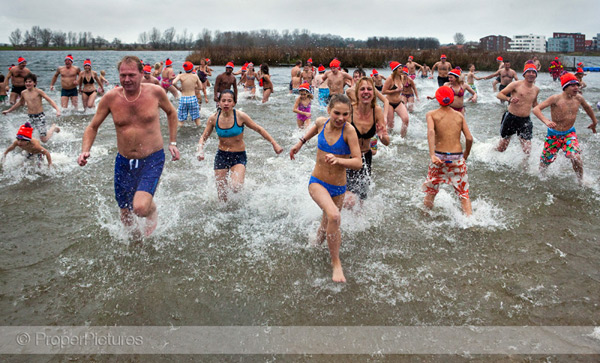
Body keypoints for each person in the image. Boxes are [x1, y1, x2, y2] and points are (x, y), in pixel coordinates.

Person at [77, 55, 180, 238]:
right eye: (123, 75)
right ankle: (137, 246)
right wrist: (86, 150)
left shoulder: (155, 92)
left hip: (152, 158)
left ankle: (151, 208)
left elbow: (172, 113)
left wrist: (172, 142)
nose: (126, 79)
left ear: (142, 73)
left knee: (139, 208)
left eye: (131, 75)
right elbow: (92, 127)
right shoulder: (110, 98)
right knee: (125, 214)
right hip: (124, 161)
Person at [289, 94, 362, 283]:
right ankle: (336, 264)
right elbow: (312, 131)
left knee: (327, 221)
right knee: (335, 216)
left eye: (346, 114)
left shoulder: (349, 131)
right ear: (329, 110)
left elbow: (358, 162)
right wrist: (299, 144)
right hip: (317, 182)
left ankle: (314, 245)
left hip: (338, 187)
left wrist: (339, 160)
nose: (341, 118)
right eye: (337, 113)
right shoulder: (322, 122)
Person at [196, 90, 283, 202]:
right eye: (223, 101)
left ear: (234, 103)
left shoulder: (240, 116)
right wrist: (200, 150)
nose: (226, 103)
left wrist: (274, 144)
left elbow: (258, 129)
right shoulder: (213, 118)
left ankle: (244, 195)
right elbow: (203, 137)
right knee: (222, 195)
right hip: (221, 156)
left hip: (238, 156)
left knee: (235, 187)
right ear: (219, 103)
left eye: (229, 101)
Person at [532, 73, 597, 183]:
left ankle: (580, 181)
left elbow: (587, 108)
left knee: (575, 157)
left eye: (577, 84)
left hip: (569, 134)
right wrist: (546, 121)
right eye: (572, 85)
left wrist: (594, 122)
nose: (576, 87)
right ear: (565, 87)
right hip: (553, 134)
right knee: (545, 162)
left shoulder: (579, 98)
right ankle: (541, 177)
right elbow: (536, 109)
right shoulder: (555, 98)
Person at [423, 86, 473, 215]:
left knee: (431, 192)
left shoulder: (431, 114)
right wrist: (466, 154)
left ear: (437, 99)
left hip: (439, 157)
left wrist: (432, 155)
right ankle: (469, 222)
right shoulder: (459, 116)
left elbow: (431, 131)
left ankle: (425, 217)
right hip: (457, 157)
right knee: (463, 194)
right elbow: (469, 138)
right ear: (452, 99)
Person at [344, 77, 390, 208]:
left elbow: (387, 142)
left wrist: (382, 136)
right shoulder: (349, 110)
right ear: (357, 92)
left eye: (369, 89)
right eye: (362, 89)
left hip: (365, 159)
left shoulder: (377, 110)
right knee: (349, 200)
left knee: (360, 202)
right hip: (349, 159)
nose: (366, 92)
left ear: (373, 93)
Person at [494, 63, 540, 155]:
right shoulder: (516, 84)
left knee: (527, 150)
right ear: (524, 74)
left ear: (536, 75)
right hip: (511, 117)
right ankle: (489, 154)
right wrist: (509, 99)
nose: (531, 74)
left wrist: (544, 113)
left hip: (525, 120)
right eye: (529, 72)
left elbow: (535, 104)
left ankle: (524, 167)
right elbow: (499, 94)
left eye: (533, 72)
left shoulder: (536, 89)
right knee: (502, 148)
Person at [3, 73, 61, 142]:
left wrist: (57, 110)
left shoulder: (39, 91)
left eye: (30, 82)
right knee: (25, 136)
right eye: (26, 82)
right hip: (30, 117)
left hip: (40, 117)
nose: (28, 83)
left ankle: (53, 128)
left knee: (44, 140)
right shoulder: (23, 93)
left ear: (34, 83)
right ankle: (30, 150)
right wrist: (9, 110)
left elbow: (49, 100)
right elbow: (20, 103)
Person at [172, 61, 204, 127]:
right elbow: (201, 87)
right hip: (192, 98)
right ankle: (200, 132)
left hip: (183, 98)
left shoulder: (181, 75)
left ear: (184, 69)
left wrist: (179, 88)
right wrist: (194, 87)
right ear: (192, 68)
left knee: (181, 120)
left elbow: (173, 83)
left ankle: (178, 134)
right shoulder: (195, 76)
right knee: (197, 118)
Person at [382, 61, 410, 136]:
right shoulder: (390, 79)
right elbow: (383, 92)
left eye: (402, 68)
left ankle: (402, 138)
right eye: (400, 69)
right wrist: (395, 90)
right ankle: (389, 140)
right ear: (395, 70)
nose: (402, 70)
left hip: (398, 102)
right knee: (390, 125)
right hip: (389, 103)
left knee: (406, 119)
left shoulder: (402, 77)